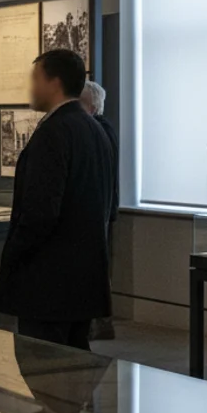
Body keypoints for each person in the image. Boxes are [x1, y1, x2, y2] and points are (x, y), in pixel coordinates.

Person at [0, 50, 114, 349]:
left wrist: (14, 254)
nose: (31, 87)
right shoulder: (93, 129)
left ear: (54, 82)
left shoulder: (54, 132)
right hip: (82, 278)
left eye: (36, 79)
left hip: (49, 281)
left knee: (43, 371)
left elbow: (41, 211)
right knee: (73, 376)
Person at [79, 81, 118, 341]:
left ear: (92, 107)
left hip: (95, 210)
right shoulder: (99, 130)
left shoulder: (99, 131)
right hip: (96, 209)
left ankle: (94, 323)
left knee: (92, 270)